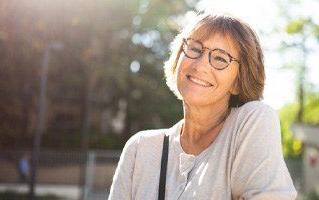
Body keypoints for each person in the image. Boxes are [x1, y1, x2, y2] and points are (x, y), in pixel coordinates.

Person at [109, 13, 297, 199]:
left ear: (238, 82)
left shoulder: (253, 121)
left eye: (220, 58)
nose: (200, 65)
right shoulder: (140, 148)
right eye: (194, 48)